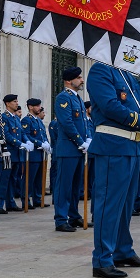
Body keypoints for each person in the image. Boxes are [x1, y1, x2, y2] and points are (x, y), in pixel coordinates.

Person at [85, 61, 140, 278]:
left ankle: (122, 250)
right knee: (109, 205)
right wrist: (139, 120)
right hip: (113, 145)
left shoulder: (125, 74)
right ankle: (102, 259)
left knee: (125, 205)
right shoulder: (100, 70)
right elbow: (109, 105)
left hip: (132, 147)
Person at [53, 66, 88, 232]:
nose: (81, 80)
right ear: (69, 81)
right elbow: (67, 122)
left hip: (78, 149)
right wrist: (80, 141)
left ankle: (74, 216)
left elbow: (83, 122)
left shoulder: (78, 98)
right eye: (79, 77)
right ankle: (60, 219)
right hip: (68, 148)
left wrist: (87, 138)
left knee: (76, 186)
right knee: (64, 186)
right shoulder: (63, 98)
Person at [0, 94, 22, 213]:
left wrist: (26, 142)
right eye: (14, 101)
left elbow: (21, 133)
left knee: (12, 180)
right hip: (7, 153)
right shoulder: (3, 117)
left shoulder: (16, 118)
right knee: (3, 180)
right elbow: (6, 135)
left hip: (16, 154)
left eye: (17, 101)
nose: (17, 103)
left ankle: (10, 203)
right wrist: (19, 143)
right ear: (7, 103)